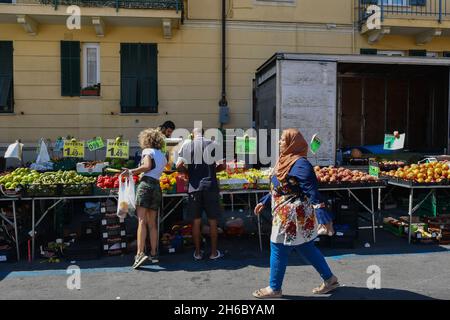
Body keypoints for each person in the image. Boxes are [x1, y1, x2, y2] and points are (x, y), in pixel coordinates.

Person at [252, 128, 339, 298]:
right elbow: (279, 187)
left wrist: (322, 215)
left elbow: (312, 190)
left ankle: (274, 288)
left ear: (292, 143)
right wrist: (265, 200)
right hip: (286, 212)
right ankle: (330, 279)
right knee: (305, 246)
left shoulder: (300, 164)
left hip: (292, 216)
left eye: (283, 140)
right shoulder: (285, 159)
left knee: (277, 246)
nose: (279, 143)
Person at [176, 128, 225, 261]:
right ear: (204, 133)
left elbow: (178, 165)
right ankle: (214, 253)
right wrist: (213, 170)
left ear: (193, 135)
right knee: (213, 221)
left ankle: (197, 253)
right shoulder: (214, 145)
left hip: (194, 187)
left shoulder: (187, 145)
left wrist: (188, 172)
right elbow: (223, 166)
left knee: (196, 222)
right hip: (210, 186)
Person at [126, 128, 167, 269]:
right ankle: (154, 254)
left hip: (145, 185)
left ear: (146, 140)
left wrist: (131, 171)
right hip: (157, 186)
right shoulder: (163, 155)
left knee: (141, 221)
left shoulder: (147, 152)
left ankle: (139, 253)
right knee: (152, 223)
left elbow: (147, 166)